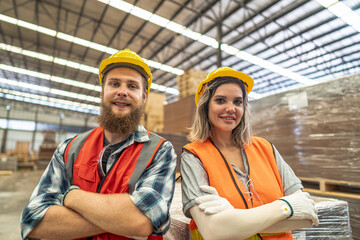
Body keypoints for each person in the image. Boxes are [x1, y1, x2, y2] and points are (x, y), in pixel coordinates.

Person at [21, 49, 177, 240]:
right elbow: (33, 222)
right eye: (114, 83)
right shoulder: (69, 149)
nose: (122, 91)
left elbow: (141, 222)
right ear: (103, 92)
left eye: (132, 86)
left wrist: (71, 196)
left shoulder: (160, 151)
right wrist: (119, 219)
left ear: (144, 97)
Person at [181, 67, 319, 240]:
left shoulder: (266, 148)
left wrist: (234, 219)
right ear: (205, 105)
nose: (231, 108)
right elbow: (213, 231)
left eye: (238, 102)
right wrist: (285, 208)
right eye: (221, 100)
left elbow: (306, 216)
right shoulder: (194, 156)